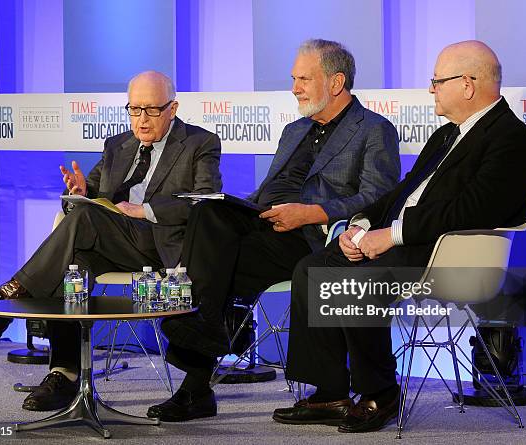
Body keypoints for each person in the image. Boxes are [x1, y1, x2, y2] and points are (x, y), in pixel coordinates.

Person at [272, 40, 526, 433]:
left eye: (437, 81)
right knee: (313, 267)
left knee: (353, 281)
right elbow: (400, 193)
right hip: (408, 243)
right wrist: (361, 225)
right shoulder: (447, 135)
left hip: (449, 256)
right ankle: (331, 391)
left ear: (467, 84)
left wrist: (392, 235)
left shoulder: (510, 137)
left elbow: (473, 210)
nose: (431, 89)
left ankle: (380, 392)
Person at [148, 39, 401, 422]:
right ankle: (207, 330)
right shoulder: (295, 129)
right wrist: (240, 207)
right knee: (207, 212)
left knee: (217, 270)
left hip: (314, 237)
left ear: (336, 82)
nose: (295, 87)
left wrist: (311, 213)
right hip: (265, 223)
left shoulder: (373, 130)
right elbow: (268, 191)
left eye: (304, 78)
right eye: (294, 78)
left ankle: (196, 383)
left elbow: (377, 199)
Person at [0, 71, 222, 411]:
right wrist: (80, 192)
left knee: (82, 223)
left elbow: (205, 201)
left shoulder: (200, 143)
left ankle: (10, 295)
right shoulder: (117, 145)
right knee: (74, 262)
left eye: (151, 110)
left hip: (160, 244)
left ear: (172, 108)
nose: (141, 119)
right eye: (134, 109)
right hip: (110, 242)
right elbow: (93, 199)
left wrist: (146, 210)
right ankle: (64, 375)